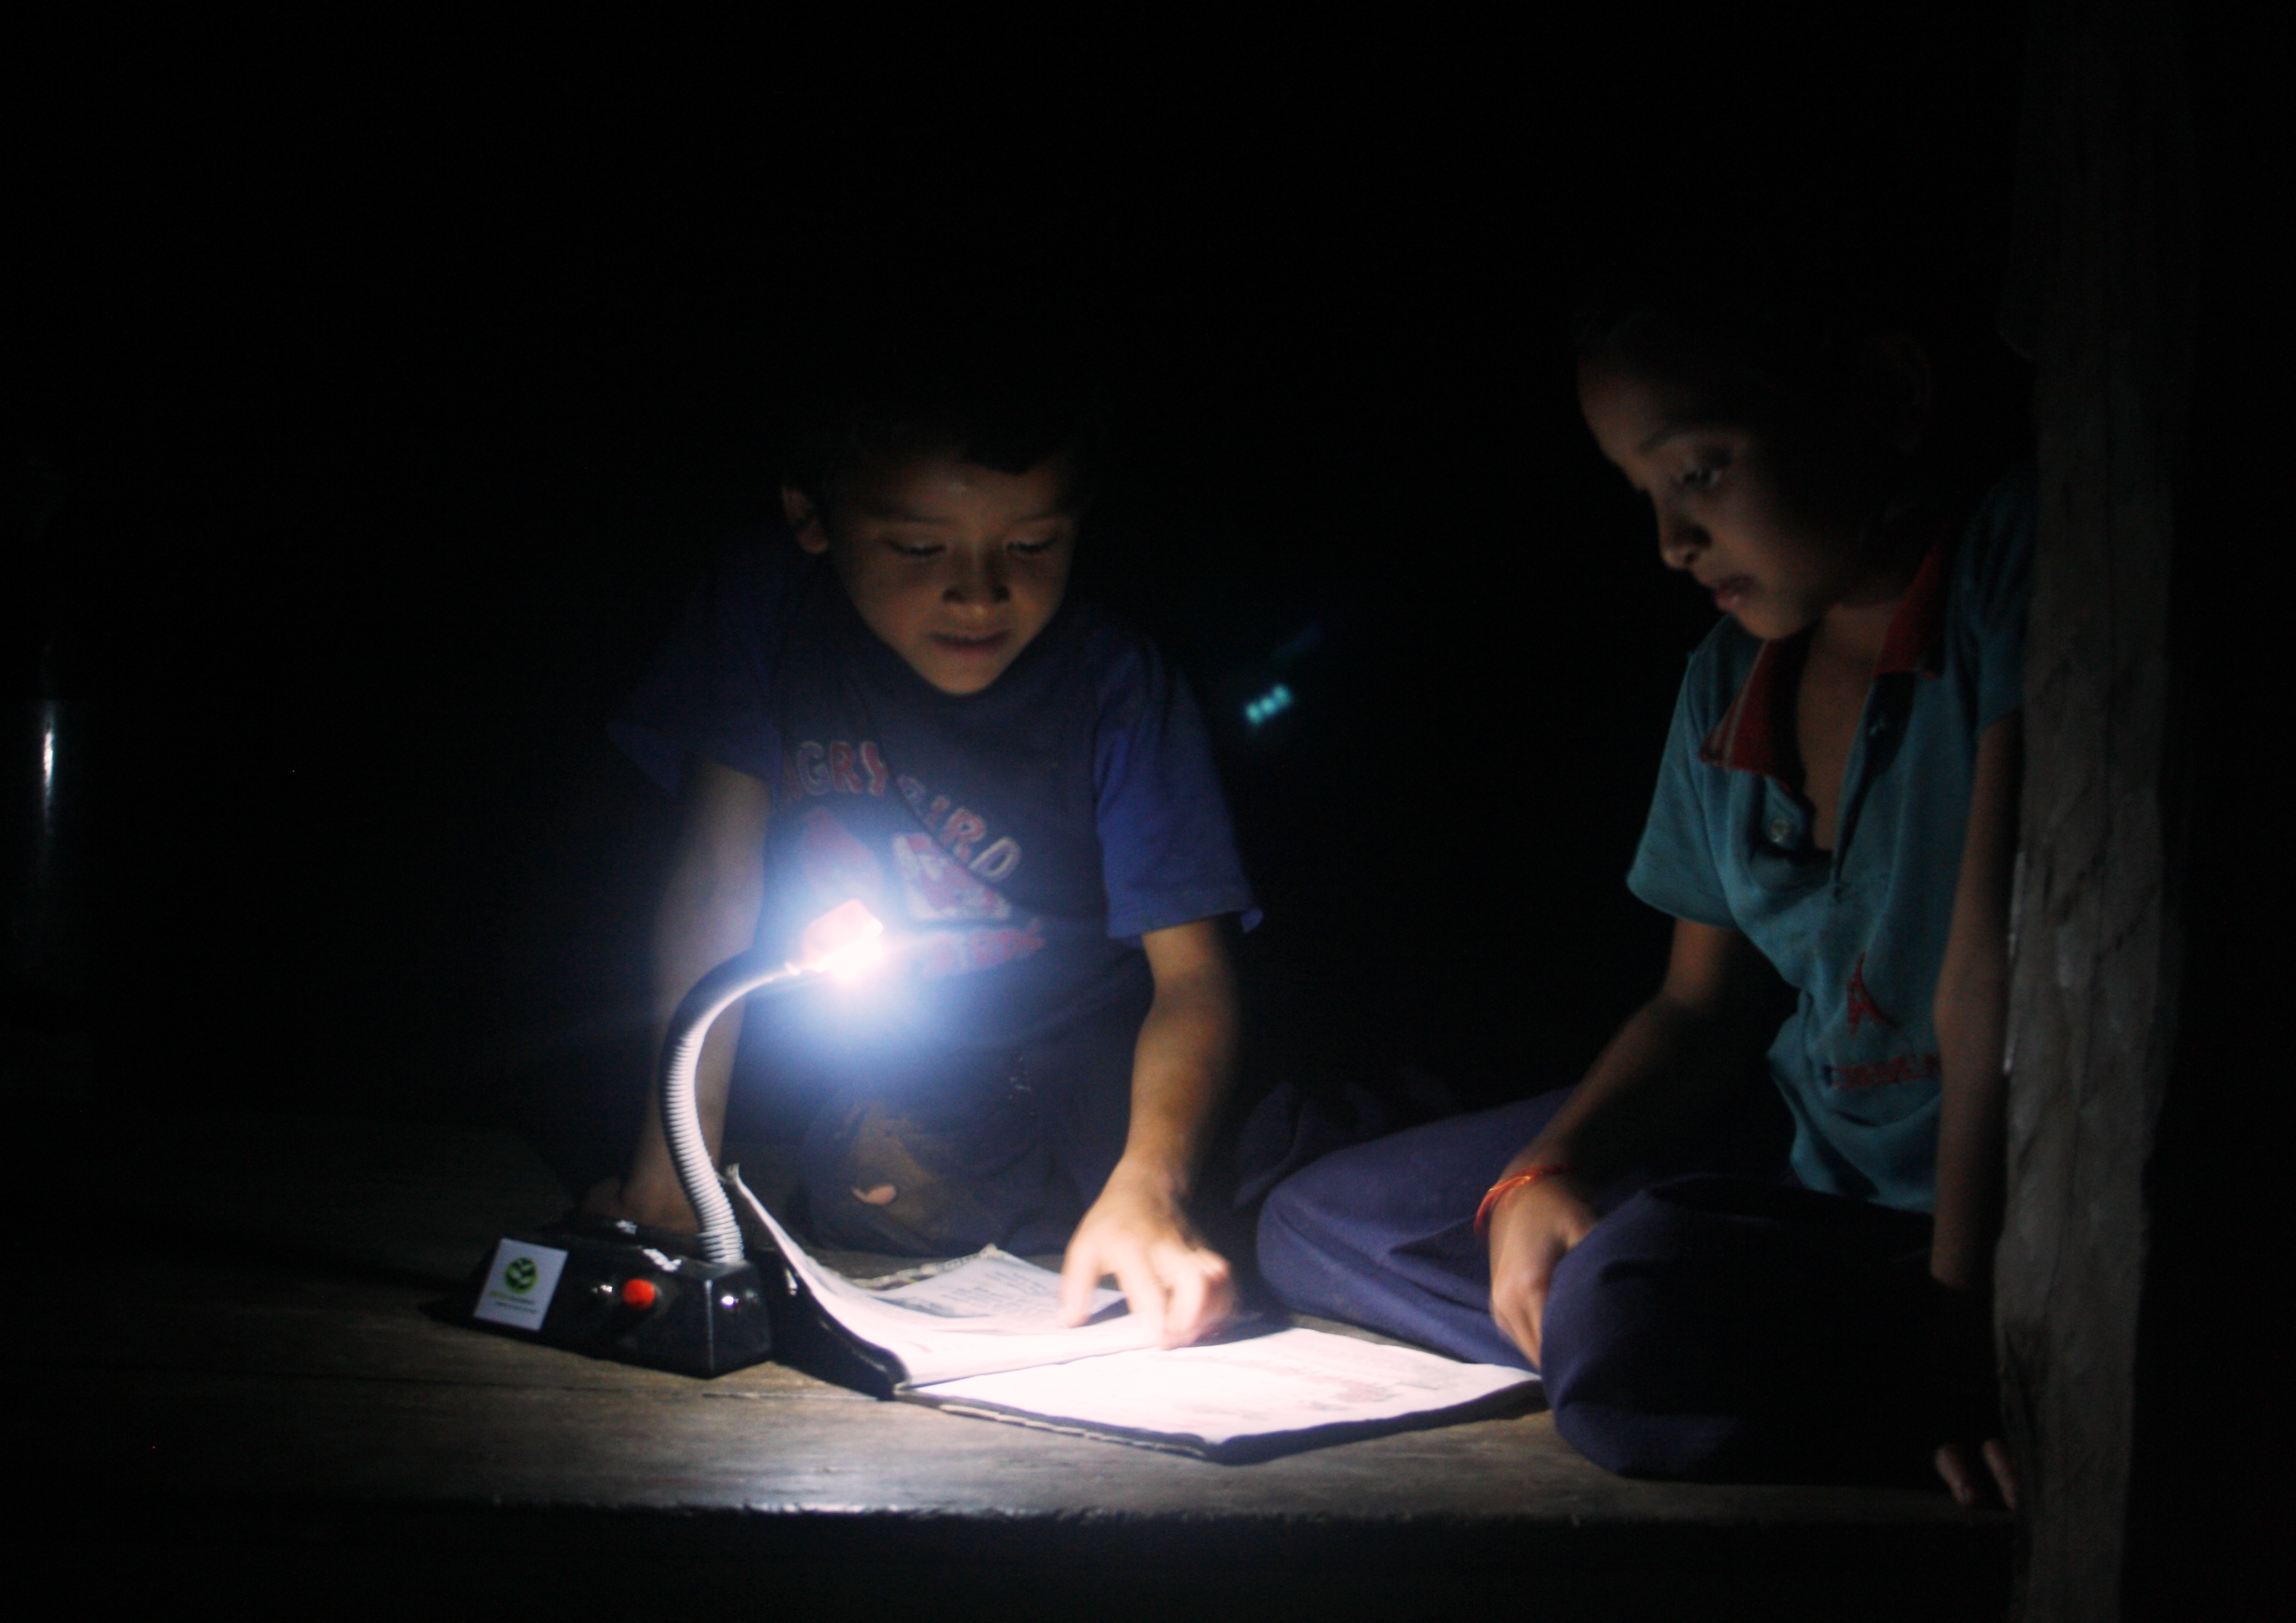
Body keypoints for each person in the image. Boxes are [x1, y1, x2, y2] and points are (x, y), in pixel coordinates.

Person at [1256, 239, 2029, 1502]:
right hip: (1797, 1172)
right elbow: (1699, 1008)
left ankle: (1726, 1352)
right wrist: (1543, 1172)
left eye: (1704, 470)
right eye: (1644, 493)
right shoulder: (1726, 683)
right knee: (1321, 1218)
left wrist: (1959, 1314)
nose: (1674, 539)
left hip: (1965, 1221)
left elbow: (1984, 977)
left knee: (1627, 1304)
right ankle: (1641, 1338)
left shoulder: (2006, 569)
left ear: (1887, 399)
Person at [590, 356, 1255, 1348]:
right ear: (813, 520)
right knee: (865, 1192)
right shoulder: (770, 606)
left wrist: (1149, 1182)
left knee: (1245, 1218)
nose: (979, 596)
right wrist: (666, 1174)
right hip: (932, 1065)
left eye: (1033, 545)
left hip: (1104, 1050)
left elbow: (1193, 976)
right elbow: (716, 878)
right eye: (916, 547)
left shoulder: (1112, 683)